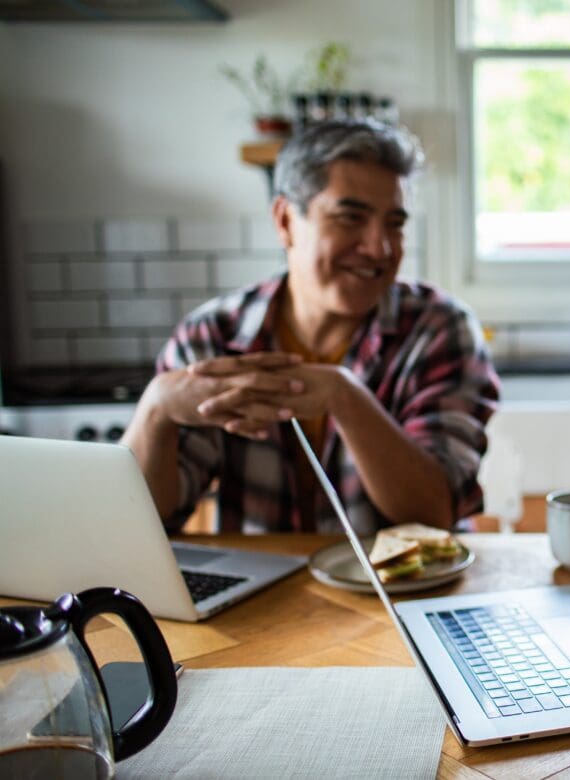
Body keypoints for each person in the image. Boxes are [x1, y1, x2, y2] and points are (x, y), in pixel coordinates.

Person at [122, 119, 499, 535]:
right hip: (265, 594)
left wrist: (345, 396)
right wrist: (156, 409)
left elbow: (434, 515)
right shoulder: (213, 337)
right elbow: (141, 525)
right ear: (285, 220)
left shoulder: (439, 330)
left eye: (394, 223)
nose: (380, 248)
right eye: (350, 218)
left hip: (403, 595)